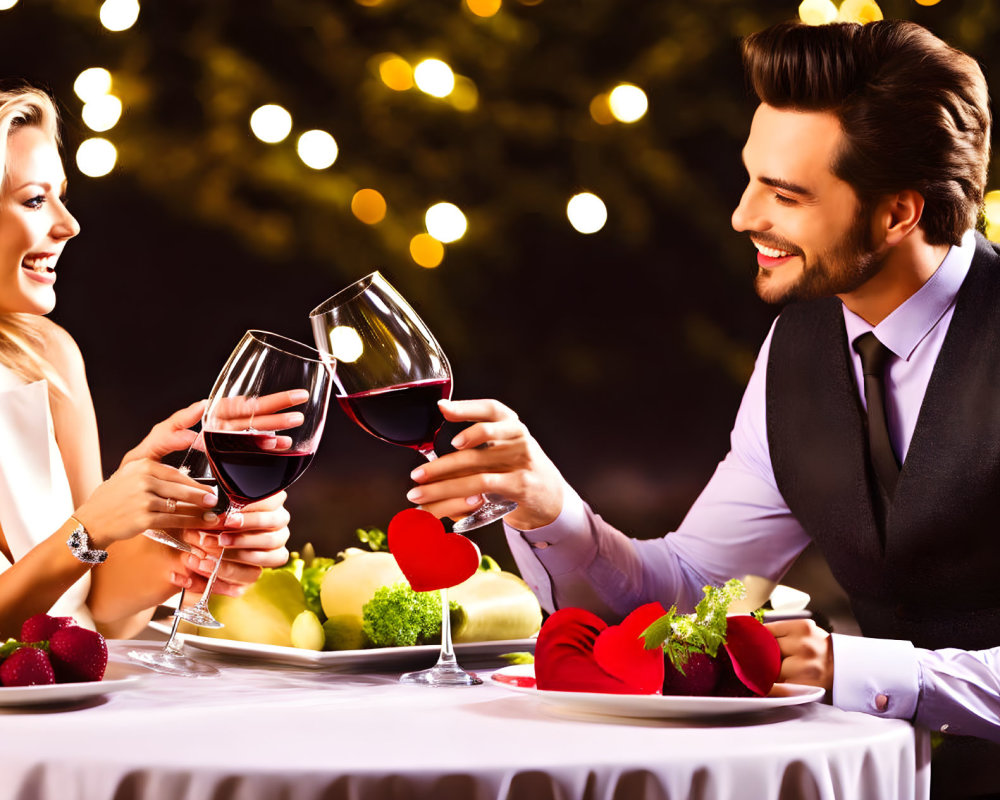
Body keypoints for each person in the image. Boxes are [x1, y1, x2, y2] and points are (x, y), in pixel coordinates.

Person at [407, 19, 1000, 795]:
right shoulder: (797, 347)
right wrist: (547, 506)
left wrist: (864, 666)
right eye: (751, 178)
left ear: (898, 214)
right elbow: (692, 591)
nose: (744, 215)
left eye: (785, 194)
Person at [0, 85, 292, 641]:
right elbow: (78, 546)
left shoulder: (49, 356)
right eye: (36, 200)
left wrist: (183, 543)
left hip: (65, 711)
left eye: (62, 197)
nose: (68, 225)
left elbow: (99, 610)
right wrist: (90, 529)